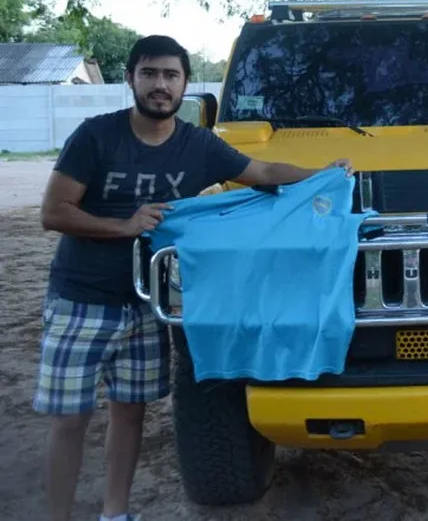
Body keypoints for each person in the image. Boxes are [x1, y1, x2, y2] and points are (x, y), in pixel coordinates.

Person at [33, 35, 353, 521]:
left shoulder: (197, 144)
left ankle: (114, 513)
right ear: (131, 79)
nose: (160, 85)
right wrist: (123, 225)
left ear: (184, 85)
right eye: (150, 74)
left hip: (146, 303)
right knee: (70, 421)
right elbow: (54, 212)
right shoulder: (95, 137)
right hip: (81, 299)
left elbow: (262, 170)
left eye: (170, 75)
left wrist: (321, 175)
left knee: (129, 412)